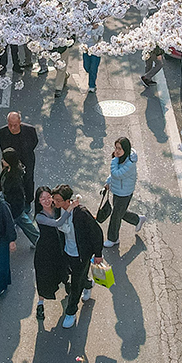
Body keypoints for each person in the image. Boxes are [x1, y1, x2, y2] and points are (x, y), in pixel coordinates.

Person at [52, 185, 104, 329]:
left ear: (67, 200)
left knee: (75, 284)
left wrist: (98, 254)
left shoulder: (81, 213)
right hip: (66, 251)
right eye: (54, 199)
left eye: (58, 200)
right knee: (70, 277)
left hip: (81, 255)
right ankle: (87, 284)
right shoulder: (58, 211)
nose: (54, 202)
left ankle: (71, 312)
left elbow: (96, 233)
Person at [32, 185, 72, 320]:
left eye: (48, 197)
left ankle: (68, 285)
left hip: (59, 247)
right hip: (45, 251)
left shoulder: (57, 209)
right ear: (38, 201)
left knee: (63, 269)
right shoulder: (39, 216)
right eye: (42, 198)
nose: (46, 200)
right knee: (44, 277)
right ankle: (40, 303)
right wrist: (69, 209)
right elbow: (57, 223)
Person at [103, 137, 146, 247]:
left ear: (125, 149)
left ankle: (113, 238)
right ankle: (137, 219)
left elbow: (116, 173)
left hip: (124, 193)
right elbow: (113, 175)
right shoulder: (122, 158)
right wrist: (108, 182)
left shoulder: (130, 164)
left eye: (119, 148)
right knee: (119, 212)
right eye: (116, 148)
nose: (116, 151)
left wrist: (115, 159)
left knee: (116, 215)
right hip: (117, 190)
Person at [0, 147, 40, 247]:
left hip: (14, 207)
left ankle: (39, 242)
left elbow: (16, 195)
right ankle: (38, 241)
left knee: (24, 223)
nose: (2, 161)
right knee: (24, 223)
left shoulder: (14, 178)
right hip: (11, 206)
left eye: (4, 159)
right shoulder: (9, 170)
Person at [0, 112, 39, 204]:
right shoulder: (2, 132)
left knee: (28, 180)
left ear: (20, 122)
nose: (12, 128)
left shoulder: (30, 130)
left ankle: (28, 200)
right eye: (10, 125)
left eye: (15, 125)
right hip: (10, 161)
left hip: (27, 159)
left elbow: (34, 142)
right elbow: (3, 148)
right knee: (11, 181)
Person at [81, 21, 104, 93]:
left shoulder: (100, 27)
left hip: (96, 51)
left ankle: (92, 85)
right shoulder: (85, 26)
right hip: (86, 50)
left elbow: (97, 40)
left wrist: (93, 30)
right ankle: (91, 75)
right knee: (86, 67)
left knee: (93, 68)